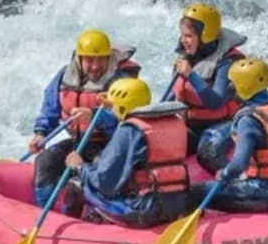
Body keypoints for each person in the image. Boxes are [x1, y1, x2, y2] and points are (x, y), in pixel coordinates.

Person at [29, 29, 138, 208]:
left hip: (109, 146)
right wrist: (40, 134)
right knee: (45, 161)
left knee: (89, 178)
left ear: (108, 57)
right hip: (77, 143)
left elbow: (127, 119)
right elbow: (49, 110)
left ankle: (88, 214)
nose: (95, 65)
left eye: (100, 59)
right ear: (79, 59)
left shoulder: (120, 82)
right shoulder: (64, 76)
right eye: (89, 59)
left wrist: (95, 115)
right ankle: (43, 212)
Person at [64, 78, 189, 226]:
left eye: (113, 107)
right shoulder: (172, 122)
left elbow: (104, 182)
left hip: (145, 211)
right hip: (180, 204)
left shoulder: (129, 131)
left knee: (76, 184)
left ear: (123, 107)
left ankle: (76, 229)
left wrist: (79, 166)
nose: (111, 110)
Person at [193, 58, 268, 214]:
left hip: (265, 196)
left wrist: (225, 174)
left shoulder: (248, 120)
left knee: (195, 192)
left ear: (242, 87)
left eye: (232, 84)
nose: (230, 88)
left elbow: (238, 164)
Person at [168, 2, 247, 154]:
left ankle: (231, 176)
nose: (183, 40)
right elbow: (171, 97)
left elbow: (215, 103)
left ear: (205, 36)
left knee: (207, 153)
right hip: (191, 125)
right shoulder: (186, 56)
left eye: (189, 36)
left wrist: (191, 75)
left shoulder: (226, 62)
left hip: (223, 125)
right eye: (182, 35)